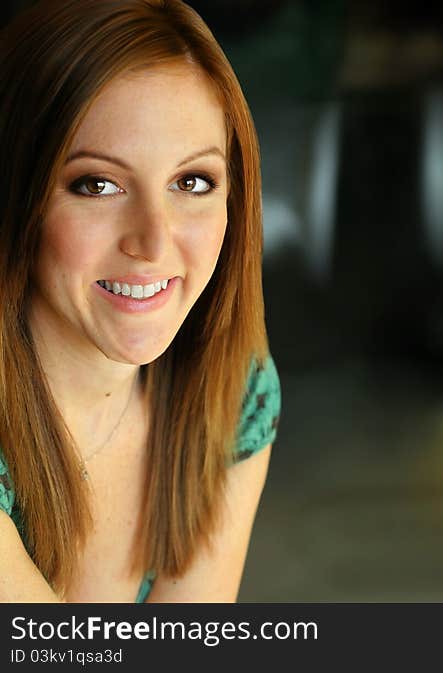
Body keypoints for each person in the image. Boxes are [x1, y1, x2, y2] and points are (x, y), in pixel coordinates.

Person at [0, 0, 280, 602]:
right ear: (15, 195)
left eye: (192, 182)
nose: (153, 243)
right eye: (97, 185)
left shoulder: (232, 387)